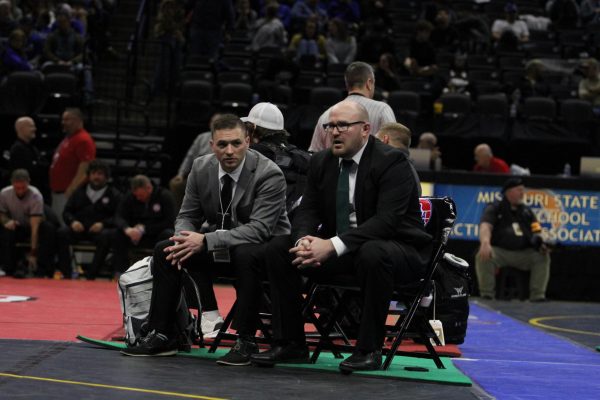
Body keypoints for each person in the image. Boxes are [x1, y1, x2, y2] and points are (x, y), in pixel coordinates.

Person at [250, 101, 432, 372]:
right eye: (330, 126)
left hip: (399, 250)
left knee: (374, 252)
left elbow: (386, 222)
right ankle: (290, 343)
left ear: (365, 129)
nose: (334, 132)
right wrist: (304, 241)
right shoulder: (322, 161)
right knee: (280, 248)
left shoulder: (392, 161)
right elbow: (307, 210)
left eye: (343, 125)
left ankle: (369, 349)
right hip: (348, 251)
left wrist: (333, 245)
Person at [121, 115, 291, 365]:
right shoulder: (201, 167)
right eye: (222, 145)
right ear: (212, 145)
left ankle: (246, 339)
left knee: (246, 253)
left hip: (264, 251)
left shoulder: (269, 173)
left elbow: (259, 230)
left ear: (247, 141)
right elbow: (187, 215)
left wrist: (205, 240)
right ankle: (162, 334)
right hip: (218, 245)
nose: (230, 151)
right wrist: (183, 240)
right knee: (166, 249)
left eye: (236, 143)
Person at [475, 177, 550, 301]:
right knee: (483, 254)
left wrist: (542, 242)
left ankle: (537, 296)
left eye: (523, 190)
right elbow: (485, 226)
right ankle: (487, 294)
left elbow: (538, 230)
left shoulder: (527, 211)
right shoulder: (495, 207)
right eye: (519, 190)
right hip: (500, 252)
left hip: (523, 253)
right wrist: (485, 242)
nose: (522, 193)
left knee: (542, 256)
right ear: (509, 192)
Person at [309, 61, 396, 152]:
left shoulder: (325, 115)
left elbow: (314, 155)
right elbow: (394, 150)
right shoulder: (382, 109)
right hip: (375, 166)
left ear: (347, 85)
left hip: (332, 165)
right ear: (369, 83)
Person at [56, 160, 121, 280]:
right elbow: (67, 212)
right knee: (62, 233)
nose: (96, 177)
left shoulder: (114, 194)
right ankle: (66, 273)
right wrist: (73, 221)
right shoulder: (79, 192)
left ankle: (91, 275)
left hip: (100, 232)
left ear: (106, 177)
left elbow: (118, 216)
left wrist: (103, 224)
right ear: (89, 175)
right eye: (94, 173)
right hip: (79, 229)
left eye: (100, 174)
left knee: (107, 236)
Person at [111, 175, 176, 277]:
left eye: (140, 195)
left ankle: (161, 272)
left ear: (149, 188)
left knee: (169, 234)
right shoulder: (130, 197)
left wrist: (145, 229)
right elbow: (118, 216)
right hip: (135, 235)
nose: (138, 198)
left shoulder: (164, 196)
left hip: (155, 235)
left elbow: (170, 221)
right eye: (136, 195)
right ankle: (120, 273)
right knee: (117, 234)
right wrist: (127, 228)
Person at [0, 169, 55, 278]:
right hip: (17, 225)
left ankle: (42, 269)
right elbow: (1, 213)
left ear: (28, 182)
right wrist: (7, 221)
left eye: (23, 188)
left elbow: (35, 227)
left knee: (49, 229)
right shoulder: (4, 193)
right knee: (6, 230)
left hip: (35, 226)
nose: (20, 191)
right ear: (12, 183)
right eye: (17, 188)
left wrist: (33, 253)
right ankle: (7, 267)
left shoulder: (36, 195)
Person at [49, 108, 96, 224]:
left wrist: (71, 189)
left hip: (67, 193)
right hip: (59, 191)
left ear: (77, 121)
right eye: (62, 119)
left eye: (67, 119)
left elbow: (85, 168)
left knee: (65, 225)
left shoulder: (83, 140)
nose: (63, 122)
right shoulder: (70, 138)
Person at [169, 113, 223, 208]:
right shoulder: (201, 138)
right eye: (212, 122)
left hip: (217, 178)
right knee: (175, 184)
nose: (214, 124)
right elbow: (189, 157)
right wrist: (181, 174)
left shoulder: (227, 140)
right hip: (196, 176)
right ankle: (180, 217)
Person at [9, 116, 48, 200]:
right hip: (27, 197)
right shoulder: (18, 149)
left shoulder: (32, 147)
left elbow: (44, 165)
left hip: (37, 194)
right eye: (31, 126)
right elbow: (31, 172)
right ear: (21, 128)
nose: (35, 129)